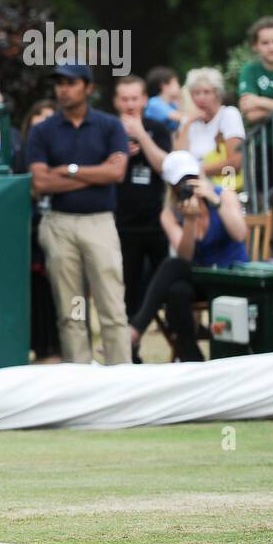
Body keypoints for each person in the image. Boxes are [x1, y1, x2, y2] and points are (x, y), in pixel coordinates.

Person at [26, 62, 132, 365]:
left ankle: (122, 380)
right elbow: (41, 182)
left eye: (71, 82)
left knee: (112, 306)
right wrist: (95, 174)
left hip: (99, 222)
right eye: (59, 83)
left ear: (88, 88)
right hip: (59, 224)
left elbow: (117, 173)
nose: (63, 88)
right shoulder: (43, 130)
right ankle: (80, 384)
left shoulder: (110, 126)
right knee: (72, 311)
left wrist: (70, 171)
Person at [128, 151, 248, 363]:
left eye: (191, 178)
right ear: (171, 186)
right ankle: (194, 360)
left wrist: (215, 200)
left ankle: (136, 331)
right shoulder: (170, 213)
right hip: (203, 278)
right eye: (181, 182)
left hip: (233, 276)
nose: (188, 185)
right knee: (177, 286)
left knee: (175, 278)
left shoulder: (223, 194)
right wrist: (190, 221)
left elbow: (240, 234)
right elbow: (186, 256)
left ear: (200, 175)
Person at [112, 74, 172, 348]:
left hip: (157, 223)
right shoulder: (108, 129)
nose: (129, 104)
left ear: (145, 100)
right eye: (124, 99)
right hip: (122, 224)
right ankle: (130, 352)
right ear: (116, 102)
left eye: (134, 98)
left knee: (167, 287)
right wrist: (122, 151)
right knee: (128, 292)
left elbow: (165, 167)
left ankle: (176, 341)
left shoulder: (158, 128)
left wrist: (141, 138)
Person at [13, 100, 61, 362]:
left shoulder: (64, 153)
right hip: (29, 234)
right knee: (38, 293)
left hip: (61, 227)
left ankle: (61, 349)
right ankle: (42, 348)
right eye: (37, 123)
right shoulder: (21, 155)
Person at [174, 66, 245, 187]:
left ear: (217, 94)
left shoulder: (229, 114)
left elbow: (236, 163)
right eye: (196, 93)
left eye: (207, 92)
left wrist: (197, 171)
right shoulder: (187, 121)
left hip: (224, 188)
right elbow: (179, 159)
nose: (201, 98)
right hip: (194, 188)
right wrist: (188, 122)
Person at [237, 15, 273, 125]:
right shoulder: (250, 71)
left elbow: (256, 109)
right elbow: (251, 114)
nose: (271, 47)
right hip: (265, 141)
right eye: (265, 43)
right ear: (255, 46)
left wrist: (260, 101)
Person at [143, 66, 183, 132]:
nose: (179, 86)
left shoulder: (172, 105)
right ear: (164, 86)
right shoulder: (154, 103)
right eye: (176, 82)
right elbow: (182, 118)